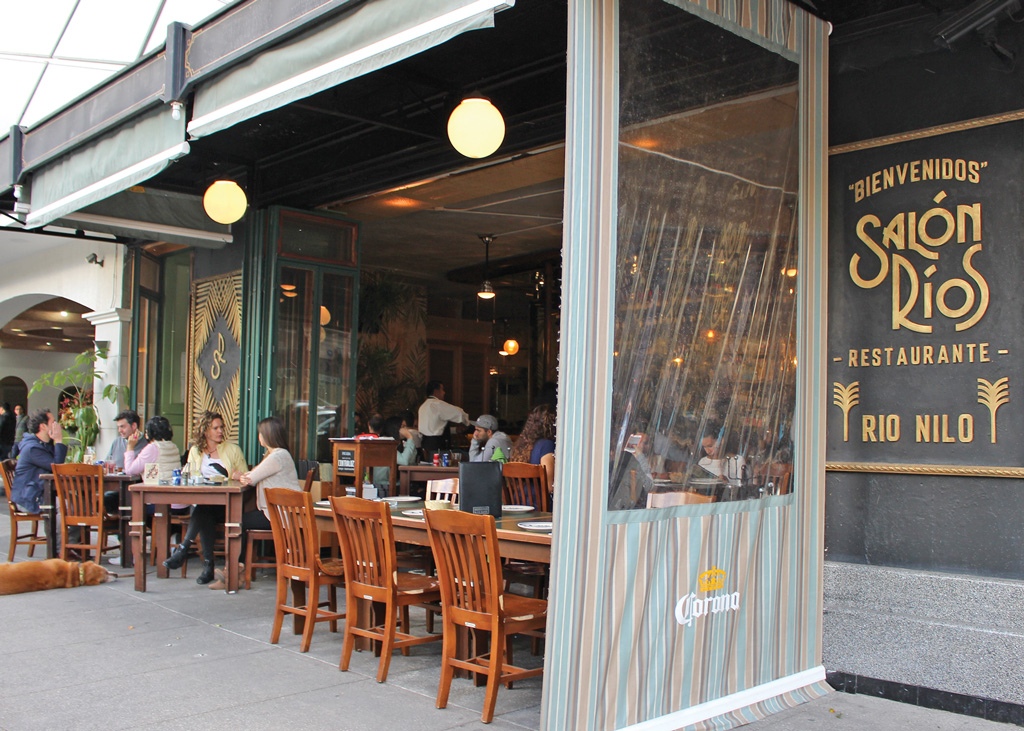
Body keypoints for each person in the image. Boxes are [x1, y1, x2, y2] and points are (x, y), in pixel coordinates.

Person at [208, 416, 300, 591]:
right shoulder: (274, 455)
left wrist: (238, 475)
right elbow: (253, 473)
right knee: (239, 521)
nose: (259, 436)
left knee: (237, 522)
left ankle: (234, 572)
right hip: (277, 513)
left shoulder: (278, 456)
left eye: (260, 433)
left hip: (280, 516)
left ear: (266, 435)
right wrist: (244, 475)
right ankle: (235, 573)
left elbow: (250, 478)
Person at [164, 411, 248, 584]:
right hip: (206, 502)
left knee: (203, 510)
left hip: (229, 505)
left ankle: (185, 551)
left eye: (221, 427)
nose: (220, 431)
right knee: (204, 510)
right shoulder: (195, 451)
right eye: (215, 428)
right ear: (205, 430)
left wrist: (237, 476)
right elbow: (189, 474)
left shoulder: (233, 450)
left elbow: (246, 478)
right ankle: (206, 565)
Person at [11, 409, 69, 548]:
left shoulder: (42, 445)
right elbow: (57, 467)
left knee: (77, 502)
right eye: (53, 422)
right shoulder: (32, 448)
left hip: (39, 493)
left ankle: (71, 546)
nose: (57, 425)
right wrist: (59, 440)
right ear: (43, 426)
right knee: (66, 506)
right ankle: (59, 549)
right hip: (29, 498)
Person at [509, 403, 556, 486]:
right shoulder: (547, 445)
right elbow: (549, 486)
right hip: (539, 498)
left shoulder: (522, 445)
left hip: (519, 498)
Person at [417, 380, 469, 454]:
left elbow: (432, 428)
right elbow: (459, 413)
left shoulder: (423, 406)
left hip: (425, 445)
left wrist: (454, 430)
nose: (444, 393)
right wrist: (468, 423)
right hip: (437, 446)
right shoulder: (437, 404)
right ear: (436, 391)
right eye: (442, 390)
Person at [371, 416, 417, 494]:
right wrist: (410, 438)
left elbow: (411, 461)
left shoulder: (398, 443)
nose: (406, 430)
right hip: (384, 485)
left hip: (396, 482)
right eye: (403, 426)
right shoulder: (386, 443)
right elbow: (404, 461)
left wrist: (409, 442)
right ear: (395, 427)